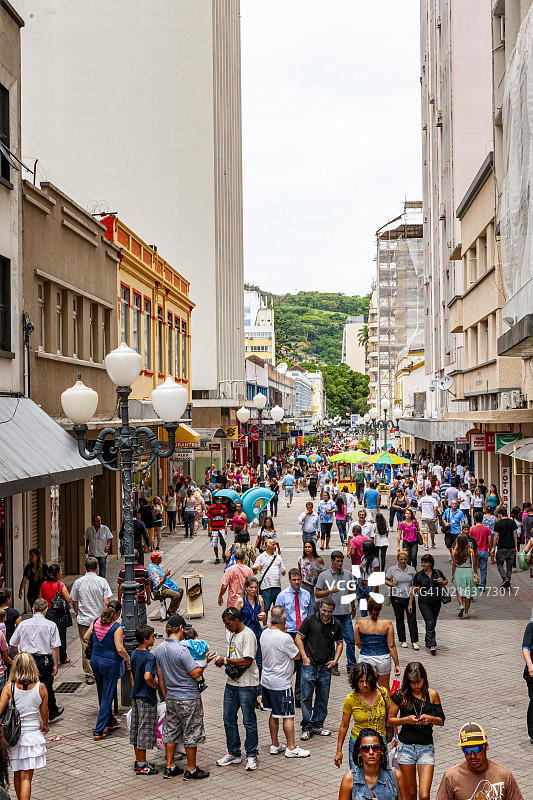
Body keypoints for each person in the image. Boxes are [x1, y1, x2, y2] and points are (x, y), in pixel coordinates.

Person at [155, 614, 211, 780]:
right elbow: (194, 673)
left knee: (170, 730)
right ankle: (191, 769)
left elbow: (160, 676)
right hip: (188, 696)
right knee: (191, 732)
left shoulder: (159, 648)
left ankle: (170, 766)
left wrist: (166, 696)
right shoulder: (182, 650)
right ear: (181, 629)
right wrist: (205, 663)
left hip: (171, 696)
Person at [388, 661, 445, 800]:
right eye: (412, 682)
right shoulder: (400, 695)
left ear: (424, 679)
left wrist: (430, 719)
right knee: (411, 792)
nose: (416, 685)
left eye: (418, 682)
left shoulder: (432, 694)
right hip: (406, 747)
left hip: (426, 747)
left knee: (424, 795)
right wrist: (405, 720)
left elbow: (441, 720)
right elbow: (390, 720)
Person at [260, 605, 310, 758]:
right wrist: (285, 633)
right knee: (288, 716)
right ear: (283, 621)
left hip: (267, 680)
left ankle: (274, 744)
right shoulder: (284, 638)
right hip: (282, 682)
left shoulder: (264, 633)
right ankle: (291, 747)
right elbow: (296, 655)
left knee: (273, 714)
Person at [215, 607, 260, 771]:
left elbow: (248, 661)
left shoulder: (248, 635)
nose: (226, 627)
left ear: (236, 621)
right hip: (232, 683)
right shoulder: (233, 633)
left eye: (228, 624)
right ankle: (233, 752)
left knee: (249, 721)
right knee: (228, 719)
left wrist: (226, 660)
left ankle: (251, 754)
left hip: (247, 684)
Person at [0, 653, 48, 800]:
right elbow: (44, 712)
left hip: (13, 737)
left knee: (16, 773)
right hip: (32, 736)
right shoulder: (41, 688)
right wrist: (45, 725)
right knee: (26, 777)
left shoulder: (9, 687)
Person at [296, 596, 343, 741]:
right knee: (306, 697)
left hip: (325, 667)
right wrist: (304, 657)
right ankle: (306, 726)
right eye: (324, 610)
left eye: (329, 611)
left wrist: (335, 660)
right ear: (320, 608)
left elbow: (340, 643)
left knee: (323, 698)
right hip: (309, 666)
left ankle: (318, 724)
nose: (326, 614)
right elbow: (298, 638)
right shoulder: (310, 620)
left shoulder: (336, 624)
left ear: (333, 611)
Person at [435, 722, 524, 799]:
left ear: (487, 746)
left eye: (477, 749)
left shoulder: (504, 775)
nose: (473, 755)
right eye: (467, 750)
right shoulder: (451, 777)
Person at [10, 599, 63, 722]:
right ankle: (52, 711)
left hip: (26, 659)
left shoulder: (23, 624)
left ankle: (25, 713)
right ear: (46, 610)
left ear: (33, 610)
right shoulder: (51, 625)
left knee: (25, 685)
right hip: (43, 660)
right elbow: (55, 647)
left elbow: (13, 643)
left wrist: (18, 657)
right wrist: (55, 664)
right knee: (46, 686)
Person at [84, 600, 129, 740]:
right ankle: (98, 730)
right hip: (110, 663)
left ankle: (110, 721)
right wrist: (128, 659)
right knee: (108, 694)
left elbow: (86, 637)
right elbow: (120, 648)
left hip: (95, 661)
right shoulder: (117, 627)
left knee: (102, 692)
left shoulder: (96, 621)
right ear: (118, 613)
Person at [334, 662, 391, 771]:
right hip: (359, 745)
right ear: (355, 682)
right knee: (358, 780)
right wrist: (338, 751)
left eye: (367, 681)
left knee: (380, 779)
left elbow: (390, 718)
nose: (365, 685)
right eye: (361, 681)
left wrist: (394, 735)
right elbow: (344, 725)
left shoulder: (383, 693)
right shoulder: (350, 699)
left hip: (379, 746)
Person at [70, 557, 112, 685]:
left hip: (84, 620)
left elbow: (74, 601)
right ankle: (100, 669)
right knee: (101, 643)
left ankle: (89, 674)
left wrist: (78, 612)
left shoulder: (78, 582)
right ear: (97, 567)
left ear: (85, 568)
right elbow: (106, 602)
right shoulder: (102, 582)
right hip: (99, 620)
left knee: (85, 645)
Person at [315, 551, 357, 675]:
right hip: (330, 615)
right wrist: (329, 591)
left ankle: (352, 666)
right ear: (332, 561)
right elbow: (317, 593)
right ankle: (334, 664)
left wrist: (353, 608)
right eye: (337, 561)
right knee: (331, 642)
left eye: (341, 561)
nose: (340, 563)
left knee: (350, 640)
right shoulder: (324, 575)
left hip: (345, 614)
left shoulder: (348, 574)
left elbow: (351, 592)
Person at [338, 727, 407, 800]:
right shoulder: (349, 779)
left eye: (376, 748)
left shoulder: (396, 776)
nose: (371, 752)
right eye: (365, 749)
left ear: (381, 750)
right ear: (359, 752)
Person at [275, 569, 312, 707]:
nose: (297, 582)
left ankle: (299, 698)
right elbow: (278, 617)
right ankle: (285, 695)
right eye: (294, 579)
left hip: (302, 634)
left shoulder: (307, 595)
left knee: (302, 666)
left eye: (299, 579)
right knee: (288, 667)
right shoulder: (282, 596)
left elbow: (309, 615)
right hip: (288, 634)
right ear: (289, 580)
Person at [130, 624, 159, 775]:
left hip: (136, 695)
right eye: (152, 636)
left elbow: (132, 673)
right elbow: (148, 676)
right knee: (144, 730)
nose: (154, 638)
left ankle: (139, 760)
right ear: (145, 639)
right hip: (146, 697)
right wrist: (154, 685)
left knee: (136, 728)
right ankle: (142, 765)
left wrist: (136, 686)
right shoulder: (149, 657)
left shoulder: (135, 653)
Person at [354, 597, 400, 692]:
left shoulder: (359, 621)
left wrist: (365, 647)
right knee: (384, 687)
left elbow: (357, 642)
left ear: (367, 607)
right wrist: (397, 664)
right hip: (383, 657)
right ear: (380, 608)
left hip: (366, 656)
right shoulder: (387, 623)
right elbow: (391, 646)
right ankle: (386, 706)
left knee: (365, 687)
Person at [409, 554, 447, 655]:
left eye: (425, 562)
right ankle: (432, 644)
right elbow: (413, 588)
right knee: (430, 622)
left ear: (430, 563)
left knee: (432, 622)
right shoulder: (419, 575)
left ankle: (428, 640)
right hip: (424, 602)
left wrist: (442, 581)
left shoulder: (437, 572)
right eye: (422, 562)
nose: (423, 564)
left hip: (436, 601)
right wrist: (410, 603)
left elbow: (446, 581)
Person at [38, 563, 72, 665]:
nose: (61, 573)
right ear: (57, 573)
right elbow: (68, 599)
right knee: (61, 635)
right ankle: (63, 657)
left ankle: (49, 656)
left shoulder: (43, 585)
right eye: (60, 571)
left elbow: (39, 599)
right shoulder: (60, 585)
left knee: (48, 636)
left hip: (47, 613)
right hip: (59, 614)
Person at [385, 551, 419, 651]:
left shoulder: (412, 569)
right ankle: (403, 640)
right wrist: (391, 584)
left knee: (412, 619)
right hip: (397, 597)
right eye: (401, 559)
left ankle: (414, 641)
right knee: (399, 619)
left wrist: (417, 589)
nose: (403, 561)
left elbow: (415, 583)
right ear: (397, 559)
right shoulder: (392, 569)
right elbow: (386, 579)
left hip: (409, 597)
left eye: (405, 559)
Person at [117, 550, 151, 626]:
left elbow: (120, 588)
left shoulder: (123, 571)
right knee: (142, 621)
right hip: (140, 599)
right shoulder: (143, 570)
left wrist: (119, 601)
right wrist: (148, 598)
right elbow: (147, 586)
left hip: (127, 599)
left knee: (127, 620)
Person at [252, 538, 286, 615]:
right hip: (266, 586)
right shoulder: (261, 557)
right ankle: (265, 625)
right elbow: (253, 568)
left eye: (275, 544)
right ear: (267, 545)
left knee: (278, 609)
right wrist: (257, 567)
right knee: (265, 609)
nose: (275, 546)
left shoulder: (278, 557)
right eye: (273, 544)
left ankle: (277, 625)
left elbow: (282, 569)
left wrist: (283, 572)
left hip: (277, 586)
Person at [452, 533, 478, 618]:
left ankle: (461, 605)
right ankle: (466, 612)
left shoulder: (454, 551)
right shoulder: (470, 551)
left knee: (458, 590)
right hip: (468, 571)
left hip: (459, 571)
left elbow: (454, 564)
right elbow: (474, 564)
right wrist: (475, 573)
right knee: (468, 592)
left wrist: (452, 575)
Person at [492, 505, 518, 588]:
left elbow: (496, 537)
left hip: (502, 547)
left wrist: (493, 547)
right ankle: (508, 581)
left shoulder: (498, 523)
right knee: (509, 566)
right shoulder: (512, 522)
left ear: (500, 514)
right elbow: (515, 535)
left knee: (499, 563)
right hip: (511, 547)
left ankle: (505, 578)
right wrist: (516, 547)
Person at [84, 515, 113, 579]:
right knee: (92, 569)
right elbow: (87, 539)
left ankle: (102, 581)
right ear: (93, 522)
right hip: (92, 553)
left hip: (102, 553)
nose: (99, 522)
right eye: (97, 521)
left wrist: (107, 546)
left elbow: (110, 538)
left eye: (99, 520)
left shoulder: (105, 528)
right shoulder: (89, 530)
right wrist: (86, 548)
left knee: (102, 569)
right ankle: (93, 580)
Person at [298, 540, 325, 609]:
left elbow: (324, 574)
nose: (307, 549)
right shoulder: (301, 559)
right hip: (303, 585)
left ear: (313, 548)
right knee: (303, 606)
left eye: (309, 547)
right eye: (305, 547)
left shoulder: (319, 560)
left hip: (315, 586)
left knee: (314, 607)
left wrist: (321, 572)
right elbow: (299, 573)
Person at [470, 511, 492, 591]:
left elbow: (469, 541)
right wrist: (490, 549)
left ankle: (474, 584)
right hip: (484, 551)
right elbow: (489, 540)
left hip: (474, 552)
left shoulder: (471, 529)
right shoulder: (487, 529)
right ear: (482, 519)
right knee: (483, 569)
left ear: (475, 519)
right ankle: (482, 586)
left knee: (473, 568)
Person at [207, 495, 229, 564]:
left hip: (221, 527)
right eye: (217, 501)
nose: (219, 502)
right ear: (215, 501)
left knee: (224, 543)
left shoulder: (224, 508)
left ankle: (223, 554)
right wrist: (209, 529)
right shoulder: (211, 508)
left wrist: (225, 528)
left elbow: (225, 518)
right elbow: (209, 518)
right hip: (214, 528)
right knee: (214, 543)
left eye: (220, 501)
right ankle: (217, 557)